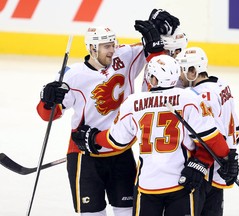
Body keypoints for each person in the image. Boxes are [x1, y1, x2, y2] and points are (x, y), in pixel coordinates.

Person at [37, 9, 180, 216]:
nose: (112, 50)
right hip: (84, 155)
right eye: (106, 46)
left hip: (120, 152)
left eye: (113, 44)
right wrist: (47, 100)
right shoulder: (74, 76)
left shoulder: (126, 56)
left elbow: (157, 61)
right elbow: (46, 115)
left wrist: (156, 32)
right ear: (92, 48)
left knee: (128, 212)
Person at [71, 54, 232, 216]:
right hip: (181, 184)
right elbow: (212, 140)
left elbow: (116, 140)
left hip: (147, 186)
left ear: (153, 79)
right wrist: (228, 159)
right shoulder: (190, 98)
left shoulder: (133, 103)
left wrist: (93, 138)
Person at [176, 47, 239, 216]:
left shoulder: (198, 95)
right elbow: (235, 127)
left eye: (181, 71)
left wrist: (201, 162)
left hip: (203, 175)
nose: (179, 77)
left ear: (192, 71)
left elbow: (211, 136)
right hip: (219, 170)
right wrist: (231, 156)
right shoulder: (222, 86)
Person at [141, 27, 188, 92]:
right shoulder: (154, 65)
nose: (160, 54)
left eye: (165, 51)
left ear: (177, 52)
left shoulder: (185, 74)